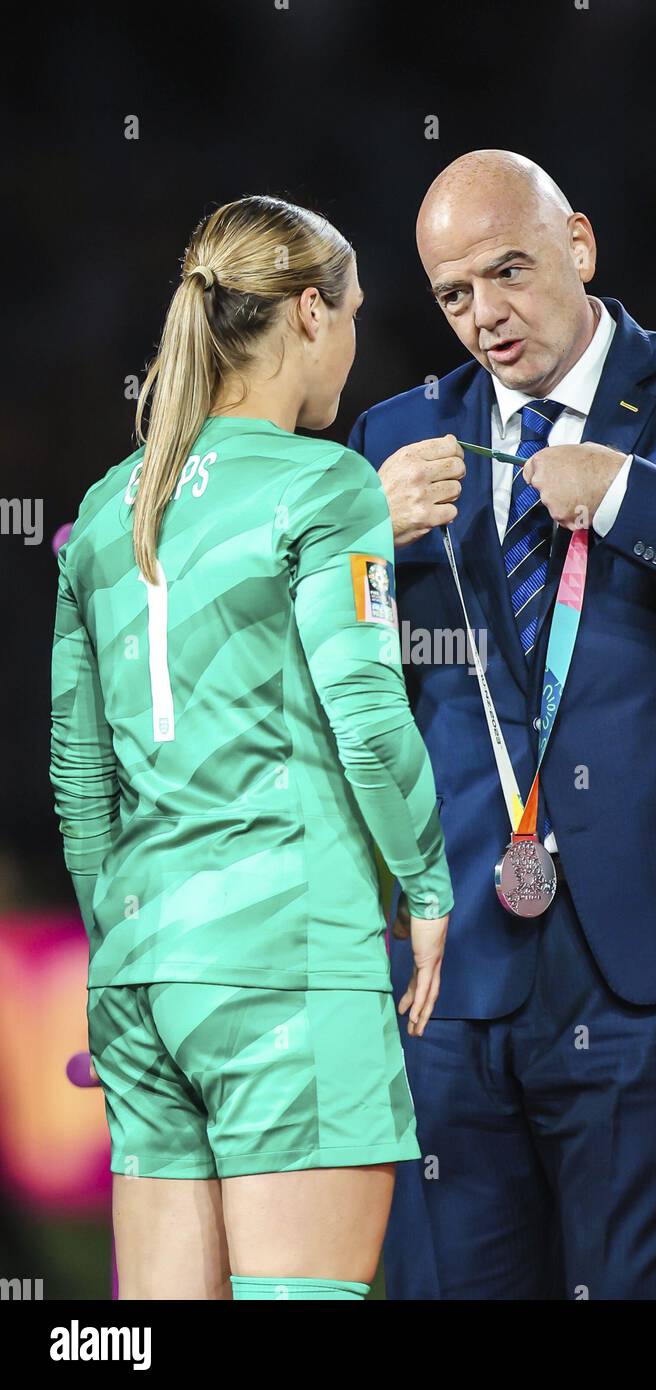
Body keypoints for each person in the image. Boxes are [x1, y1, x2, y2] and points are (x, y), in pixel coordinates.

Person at [347, 150, 656, 1299]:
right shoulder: (392, 435)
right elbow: (322, 672)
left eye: (508, 271)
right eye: (451, 294)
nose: (484, 317)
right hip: (450, 968)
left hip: (654, 957)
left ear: (578, 245)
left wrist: (628, 495)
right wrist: (356, 549)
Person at [49, 194, 452, 1301]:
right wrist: (425, 887)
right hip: (287, 957)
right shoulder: (326, 487)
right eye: (357, 309)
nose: (358, 337)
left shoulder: (104, 509)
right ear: (311, 314)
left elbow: (81, 786)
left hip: (141, 974)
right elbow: (367, 720)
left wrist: (129, 939)